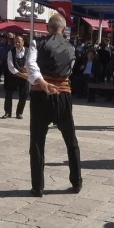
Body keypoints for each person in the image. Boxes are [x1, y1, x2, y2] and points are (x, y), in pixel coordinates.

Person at [26, 14, 82, 197]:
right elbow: (70, 69)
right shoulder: (71, 47)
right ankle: (77, 182)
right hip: (63, 95)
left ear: (48, 27)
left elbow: (30, 64)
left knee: (37, 141)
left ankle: (38, 187)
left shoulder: (37, 43)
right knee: (71, 140)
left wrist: (42, 83)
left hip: (42, 94)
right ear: (63, 29)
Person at [3, 35, 29, 119]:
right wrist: (21, 74)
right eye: (15, 42)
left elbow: (30, 62)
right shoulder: (11, 52)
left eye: (19, 42)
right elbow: (11, 67)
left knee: (24, 94)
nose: (17, 44)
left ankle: (19, 113)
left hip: (25, 76)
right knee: (8, 93)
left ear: (23, 42)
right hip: (13, 75)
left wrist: (26, 68)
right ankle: (7, 112)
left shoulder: (28, 51)